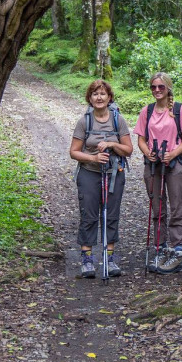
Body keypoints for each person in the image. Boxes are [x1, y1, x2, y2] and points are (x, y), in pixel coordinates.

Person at [69, 79, 133, 279]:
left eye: (103, 94)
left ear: (109, 97)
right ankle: (87, 259)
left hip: (114, 173)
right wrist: (94, 158)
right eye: (95, 94)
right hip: (89, 172)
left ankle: (109, 257)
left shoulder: (118, 120)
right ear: (90, 98)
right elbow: (73, 152)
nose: (99, 97)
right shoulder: (84, 121)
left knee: (111, 214)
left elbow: (129, 149)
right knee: (89, 214)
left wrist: (112, 145)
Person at [134, 72, 182, 274]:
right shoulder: (147, 111)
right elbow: (141, 139)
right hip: (153, 164)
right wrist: (147, 153)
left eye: (161, 87)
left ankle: (178, 253)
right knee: (157, 207)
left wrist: (173, 153)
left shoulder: (179, 110)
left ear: (168, 88)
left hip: (175, 164)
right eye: (153, 87)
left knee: (177, 206)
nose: (157, 90)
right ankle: (159, 249)